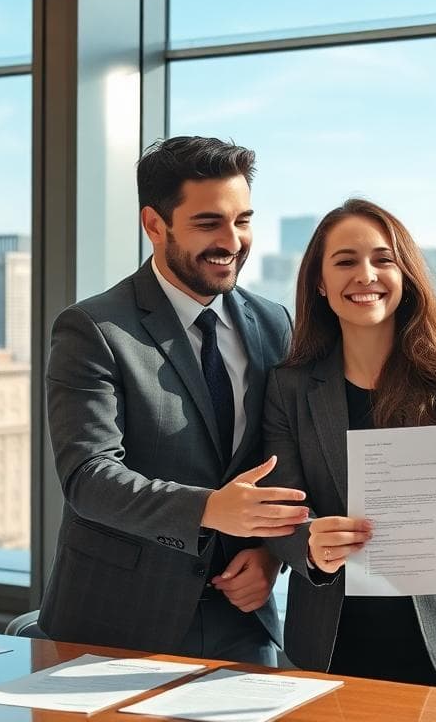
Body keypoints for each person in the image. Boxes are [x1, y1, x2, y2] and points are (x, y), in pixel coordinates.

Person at [262, 198, 436, 693]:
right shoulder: (289, 388)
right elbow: (279, 511)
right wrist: (311, 544)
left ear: (406, 274)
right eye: (346, 261)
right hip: (338, 641)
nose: (366, 274)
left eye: (383, 259)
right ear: (319, 282)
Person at [38, 136, 308, 665]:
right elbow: (87, 478)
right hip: (116, 623)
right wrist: (209, 510)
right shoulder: (94, 328)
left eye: (243, 220)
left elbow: (287, 459)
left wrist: (270, 554)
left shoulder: (275, 323)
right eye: (209, 223)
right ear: (154, 225)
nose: (232, 241)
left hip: (242, 619)